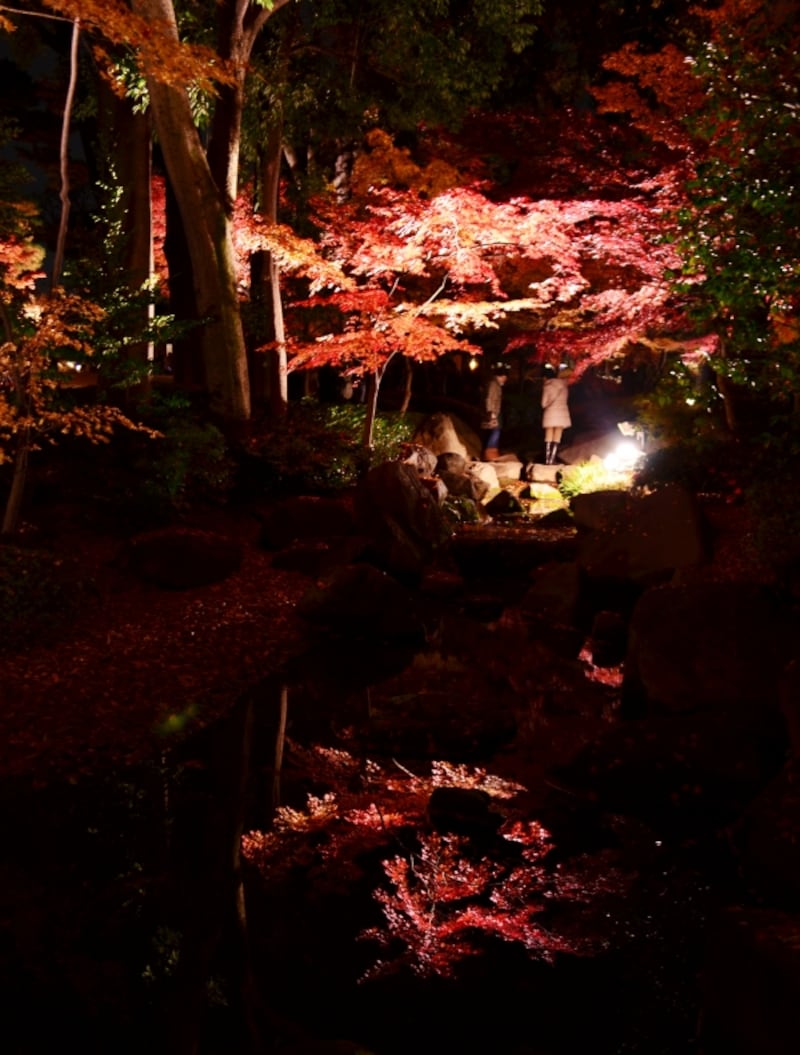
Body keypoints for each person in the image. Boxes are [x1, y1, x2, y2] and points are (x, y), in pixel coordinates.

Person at [541, 363, 572, 464]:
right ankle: (552, 459)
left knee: (548, 435)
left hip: (550, 414)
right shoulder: (564, 387)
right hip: (562, 414)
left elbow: (543, 403)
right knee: (557, 436)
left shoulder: (547, 387)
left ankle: (547, 460)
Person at [480, 362, 508, 460]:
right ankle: (490, 452)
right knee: (495, 431)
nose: (506, 379)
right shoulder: (493, 384)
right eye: (505, 377)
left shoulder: (495, 384)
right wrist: (490, 411)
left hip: (494, 412)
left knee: (493, 431)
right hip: (492, 413)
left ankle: (490, 452)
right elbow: (489, 398)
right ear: (501, 376)